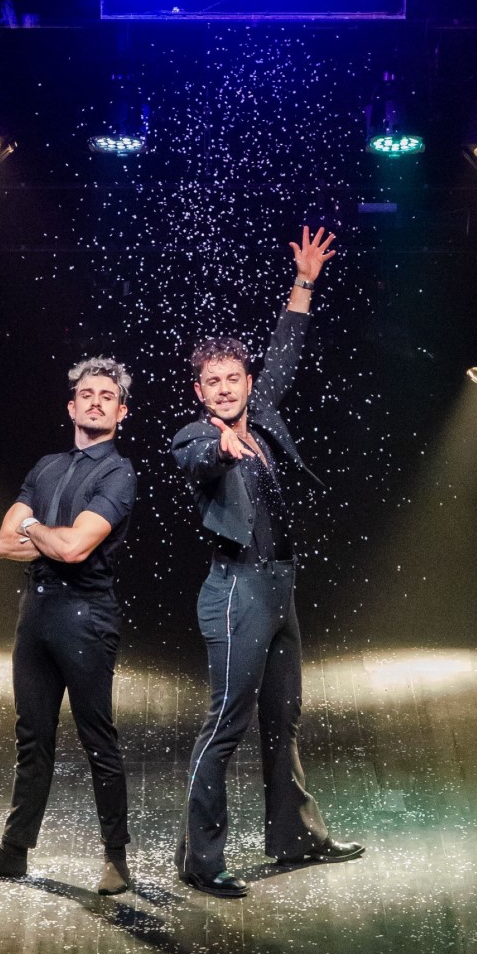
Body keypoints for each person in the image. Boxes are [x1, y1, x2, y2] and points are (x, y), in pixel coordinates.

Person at [171, 227, 364, 897]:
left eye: (234, 378)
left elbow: (286, 350)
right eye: (213, 382)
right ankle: (201, 859)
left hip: (281, 589)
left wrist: (304, 281)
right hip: (236, 591)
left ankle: (295, 837)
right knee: (226, 723)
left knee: (284, 719)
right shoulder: (195, 436)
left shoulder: (267, 415)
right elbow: (194, 459)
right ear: (200, 391)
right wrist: (220, 448)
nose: (225, 389)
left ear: (248, 383)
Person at [0, 357, 137, 896]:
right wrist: (47, 535)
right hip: (36, 613)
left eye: (107, 396)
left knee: (97, 737)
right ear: (71, 407)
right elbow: (2, 544)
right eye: (87, 394)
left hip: (86, 615)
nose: (96, 402)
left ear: (121, 412)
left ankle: (116, 859)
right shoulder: (47, 465)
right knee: (32, 736)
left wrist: (32, 525)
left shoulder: (118, 473)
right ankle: (14, 850)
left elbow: (74, 549)